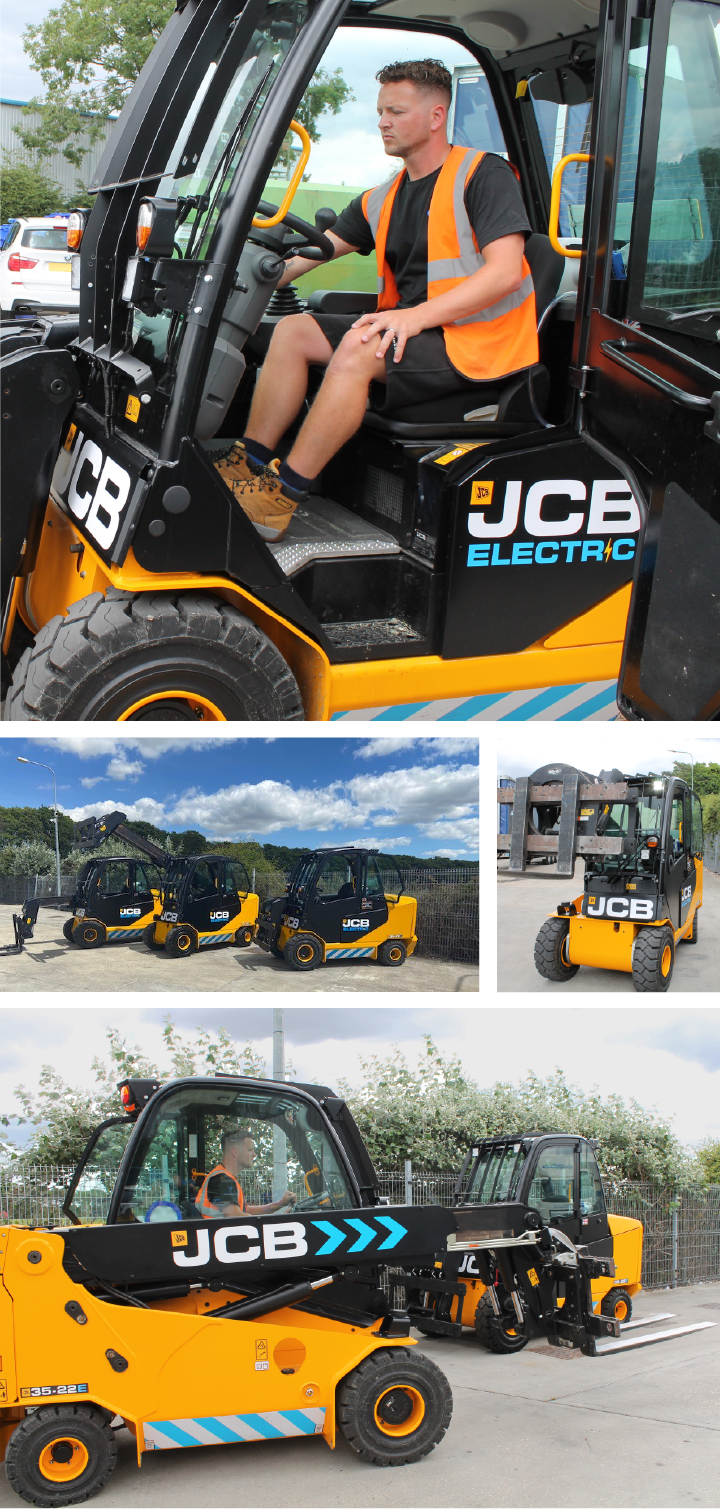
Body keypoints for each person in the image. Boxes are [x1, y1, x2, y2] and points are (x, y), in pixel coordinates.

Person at [215, 57, 536, 542]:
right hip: (418, 332)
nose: (383, 121)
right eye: (381, 111)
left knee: (359, 346)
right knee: (294, 330)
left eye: (397, 111)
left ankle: (279, 498)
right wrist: (250, 274)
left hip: (478, 343)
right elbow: (309, 256)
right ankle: (247, 464)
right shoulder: (381, 197)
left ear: (435, 117)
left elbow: (507, 272)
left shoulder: (483, 175)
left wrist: (415, 317)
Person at [195, 1127, 297, 1218]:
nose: (254, 1154)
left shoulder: (226, 1177)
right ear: (235, 1152)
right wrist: (276, 1221)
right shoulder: (221, 1180)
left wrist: (280, 1203)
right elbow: (236, 1217)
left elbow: (246, 1211)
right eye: (250, 1150)